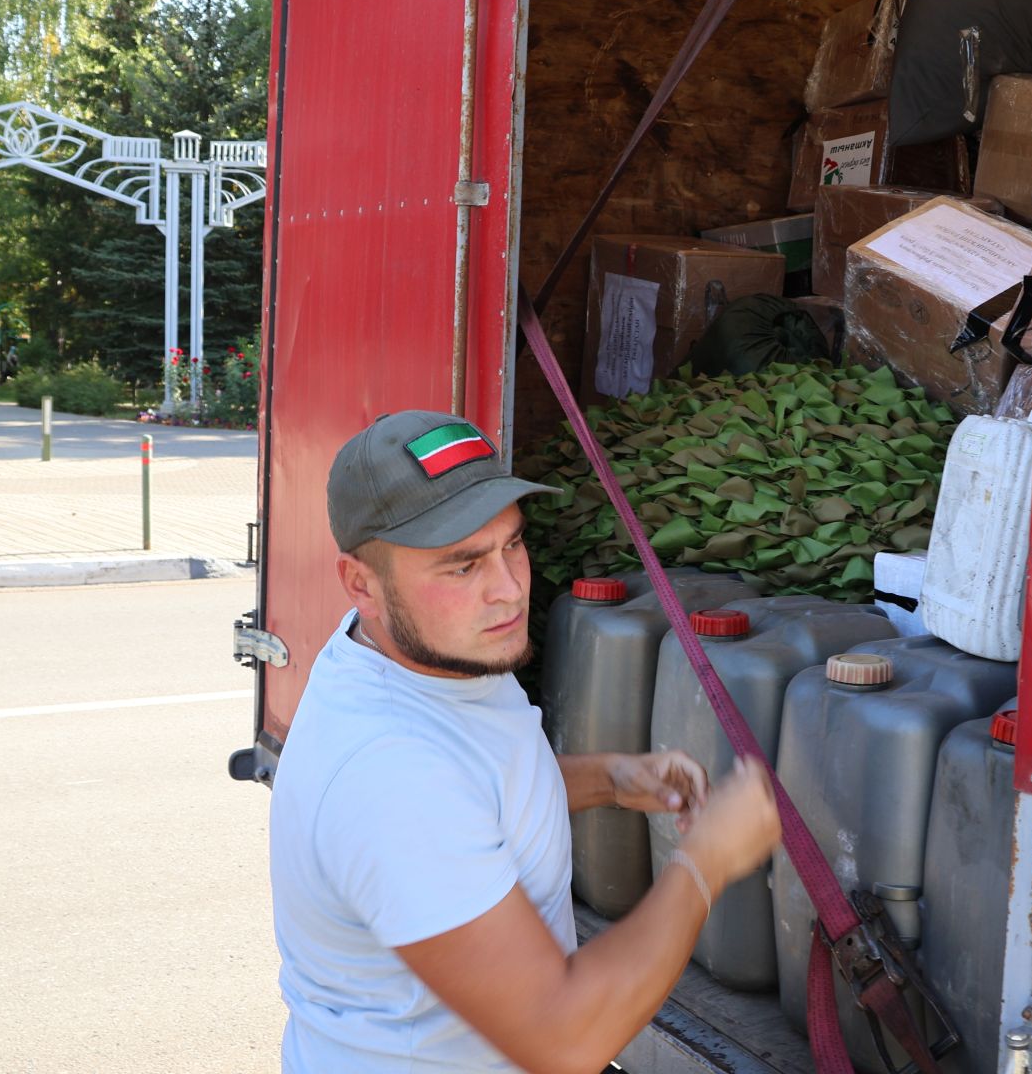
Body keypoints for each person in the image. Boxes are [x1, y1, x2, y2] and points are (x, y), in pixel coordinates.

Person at [270, 411, 782, 1073]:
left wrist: (611, 779)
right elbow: (563, 1039)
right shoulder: (391, 775)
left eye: (512, 544)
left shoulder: (422, 652)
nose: (509, 589)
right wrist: (706, 864)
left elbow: (477, 784)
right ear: (360, 582)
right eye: (462, 565)